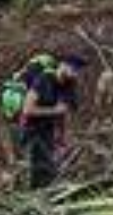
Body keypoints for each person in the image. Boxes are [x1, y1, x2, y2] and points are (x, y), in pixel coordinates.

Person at [17, 53, 84, 190]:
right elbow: (27, 109)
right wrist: (54, 110)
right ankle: (33, 199)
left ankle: (43, 196)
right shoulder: (44, 79)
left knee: (47, 168)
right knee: (37, 169)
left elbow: (66, 112)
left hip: (48, 130)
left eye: (78, 70)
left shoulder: (69, 85)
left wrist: (64, 138)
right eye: (73, 68)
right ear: (63, 65)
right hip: (30, 129)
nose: (76, 73)